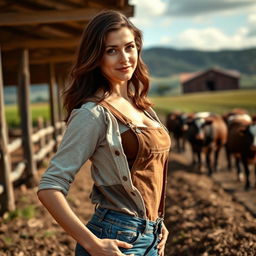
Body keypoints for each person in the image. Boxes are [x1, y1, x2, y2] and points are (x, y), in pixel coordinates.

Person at [37, 10, 171, 256]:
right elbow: (49, 187)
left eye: (129, 47)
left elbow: (150, 176)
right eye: (111, 50)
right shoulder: (93, 113)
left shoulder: (142, 106)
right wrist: (92, 243)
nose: (124, 58)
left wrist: (158, 223)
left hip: (152, 237)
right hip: (116, 239)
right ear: (96, 57)